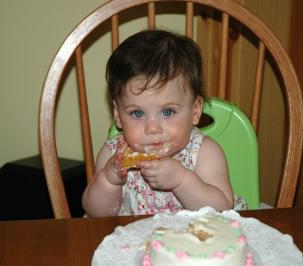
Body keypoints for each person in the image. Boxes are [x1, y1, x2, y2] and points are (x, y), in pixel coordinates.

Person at [82, 29, 235, 217]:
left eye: (167, 111)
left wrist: (182, 180)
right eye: (137, 113)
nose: (152, 128)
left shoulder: (204, 153)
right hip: (135, 241)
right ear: (118, 115)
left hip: (197, 241)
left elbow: (222, 210)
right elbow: (97, 215)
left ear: (195, 111)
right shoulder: (114, 155)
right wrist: (109, 180)